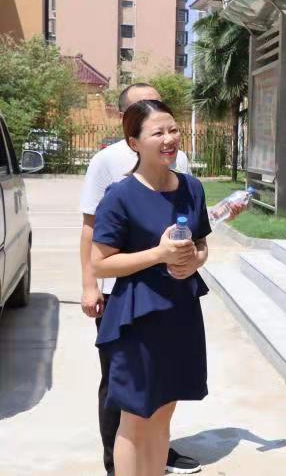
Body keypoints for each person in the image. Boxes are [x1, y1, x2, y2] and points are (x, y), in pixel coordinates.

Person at [80, 83, 200, 475]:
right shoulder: (120, 195)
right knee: (134, 420)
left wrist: (193, 261)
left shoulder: (191, 188)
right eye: (157, 133)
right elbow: (101, 263)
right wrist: (158, 255)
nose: (169, 139)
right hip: (136, 317)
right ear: (134, 142)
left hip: (179, 312)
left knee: (163, 415)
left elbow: (201, 245)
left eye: (173, 130)